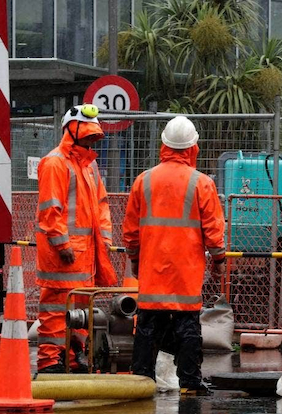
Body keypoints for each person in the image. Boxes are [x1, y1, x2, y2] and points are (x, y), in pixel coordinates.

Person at [123, 116, 226, 395]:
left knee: (147, 327)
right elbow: (213, 229)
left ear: (163, 145)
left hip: (152, 268)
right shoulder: (201, 183)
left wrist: (134, 259)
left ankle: (141, 381)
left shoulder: (143, 180)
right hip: (186, 271)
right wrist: (219, 261)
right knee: (187, 326)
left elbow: (131, 230)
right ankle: (189, 382)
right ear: (193, 147)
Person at [36, 104, 117, 373]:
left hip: (85, 257)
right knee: (56, 309)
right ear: (71, 132)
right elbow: (50, 209)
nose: (92, 140)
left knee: (81, 310)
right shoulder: (55, 163)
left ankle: (73, 358)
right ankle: (50, 361)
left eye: (95, 136)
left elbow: (101, 205)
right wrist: (62, 243)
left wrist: (103, 241)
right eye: (89, 135)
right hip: (64, 256)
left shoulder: (89, 166)